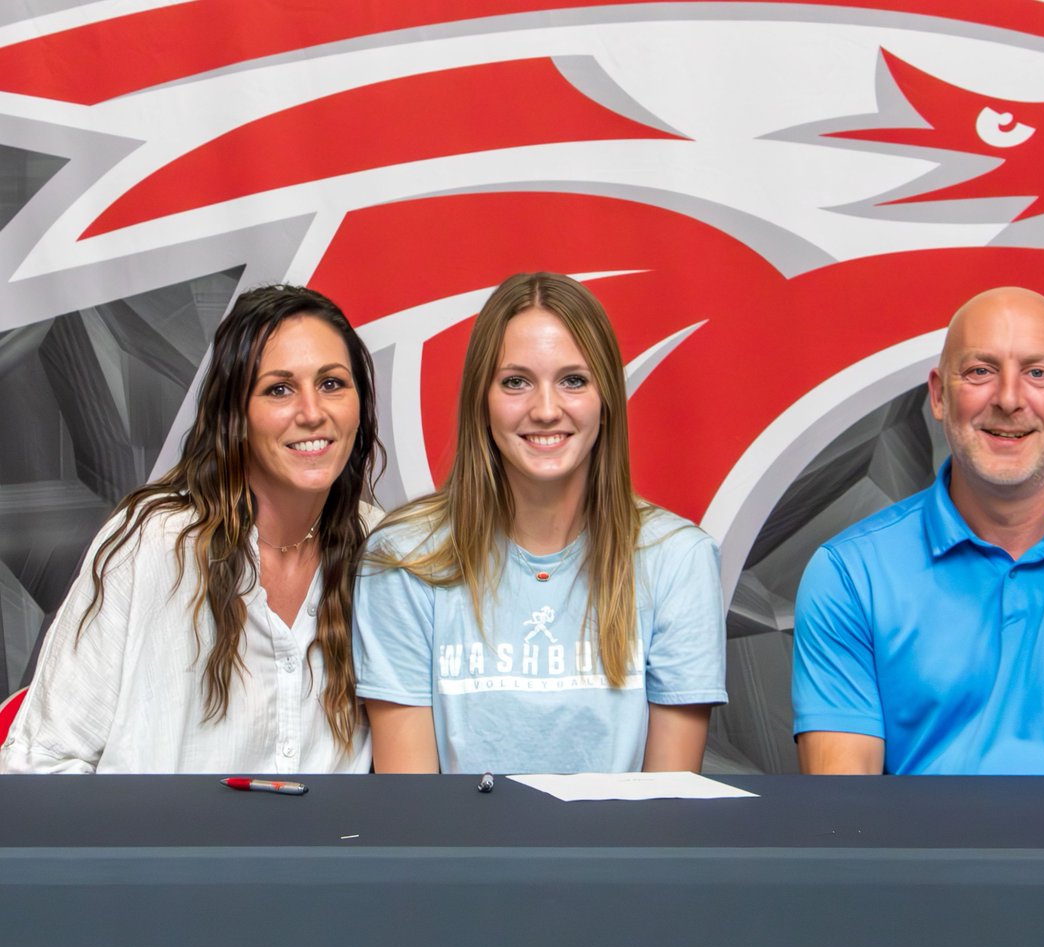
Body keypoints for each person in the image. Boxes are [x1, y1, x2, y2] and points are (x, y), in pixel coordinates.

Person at [792, 286, 1044, 775]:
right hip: (915, 834)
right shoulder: (850, 574)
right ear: (939, 395)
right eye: (980, 371)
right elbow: (843, 806)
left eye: (1038, 373)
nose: (1008, 399)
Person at [353, 271, 726, 773]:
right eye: (516, 382)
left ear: (606, 399)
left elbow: (667, 803)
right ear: (481, 400)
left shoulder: (679, 560)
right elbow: (414, 803)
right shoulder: (404, 558)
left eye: (573, 380)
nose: (546, 410)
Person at [0, 284, 382, 773]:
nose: (312, 412)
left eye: (331, 383)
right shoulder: (153, 543)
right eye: (279, 389)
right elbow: (40, 764)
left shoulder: (383, 551)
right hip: (148, 827)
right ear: (234, 414)